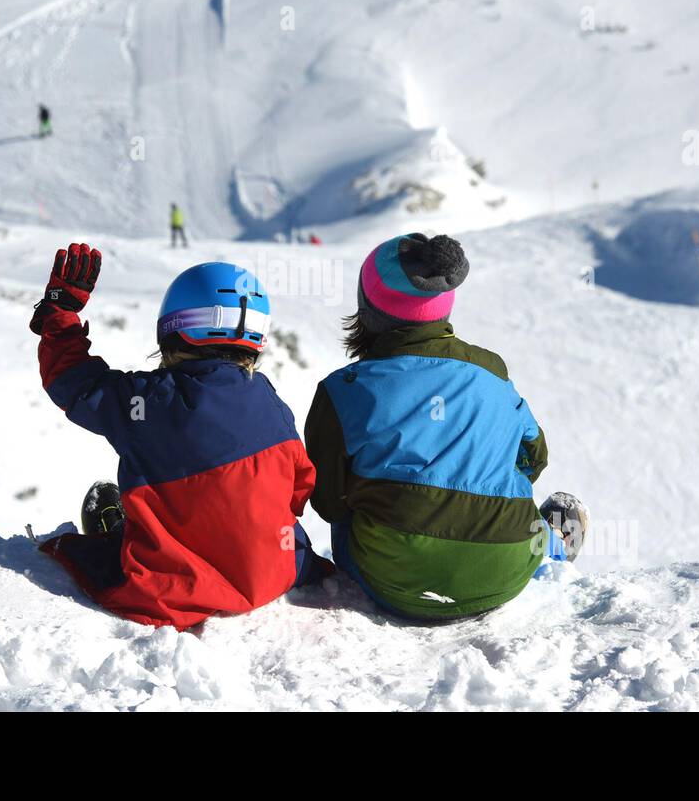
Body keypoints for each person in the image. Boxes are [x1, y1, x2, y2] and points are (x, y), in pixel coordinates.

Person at [30, 244, 331, 629]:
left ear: (173, 327)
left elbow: (71, 381)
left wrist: (60, 312)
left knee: (109, 555)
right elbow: (301, 484)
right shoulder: (266, 397)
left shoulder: (145, 400)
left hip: (172, 588)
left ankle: (122, 533)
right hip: (273, 573)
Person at [304, 232, 587, 622]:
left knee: (351, 516)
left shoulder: (341, 391)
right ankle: (552, 550)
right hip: (504, 576)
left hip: (392, 581)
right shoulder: (491, 371)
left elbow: (328, 501)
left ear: (367, 309)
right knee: (514, 513)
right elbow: (533, 459)